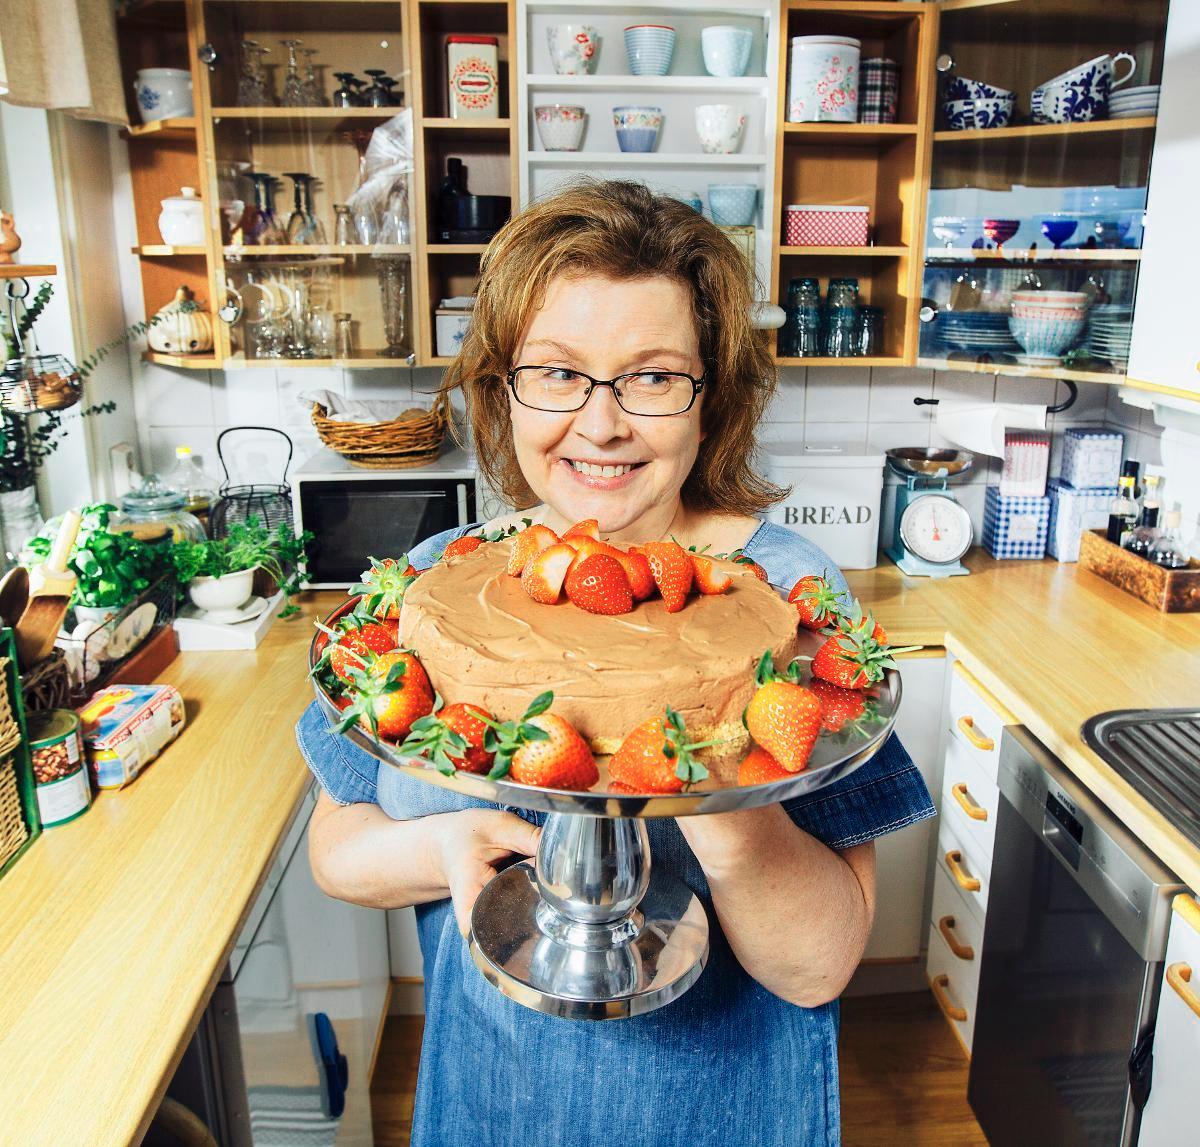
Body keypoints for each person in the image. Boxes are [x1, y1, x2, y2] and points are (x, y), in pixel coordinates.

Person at [297, 179, 934, 1146]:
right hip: (492, 1104)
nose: (601, 425)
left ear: (709, 396)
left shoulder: (790, 602)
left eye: (651, 376)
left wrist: (718, 793)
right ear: (501, 386)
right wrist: (440, 849)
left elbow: (819, 967)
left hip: (720, 1113)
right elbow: (336, 850)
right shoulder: (435, 584)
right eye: (556, 372)